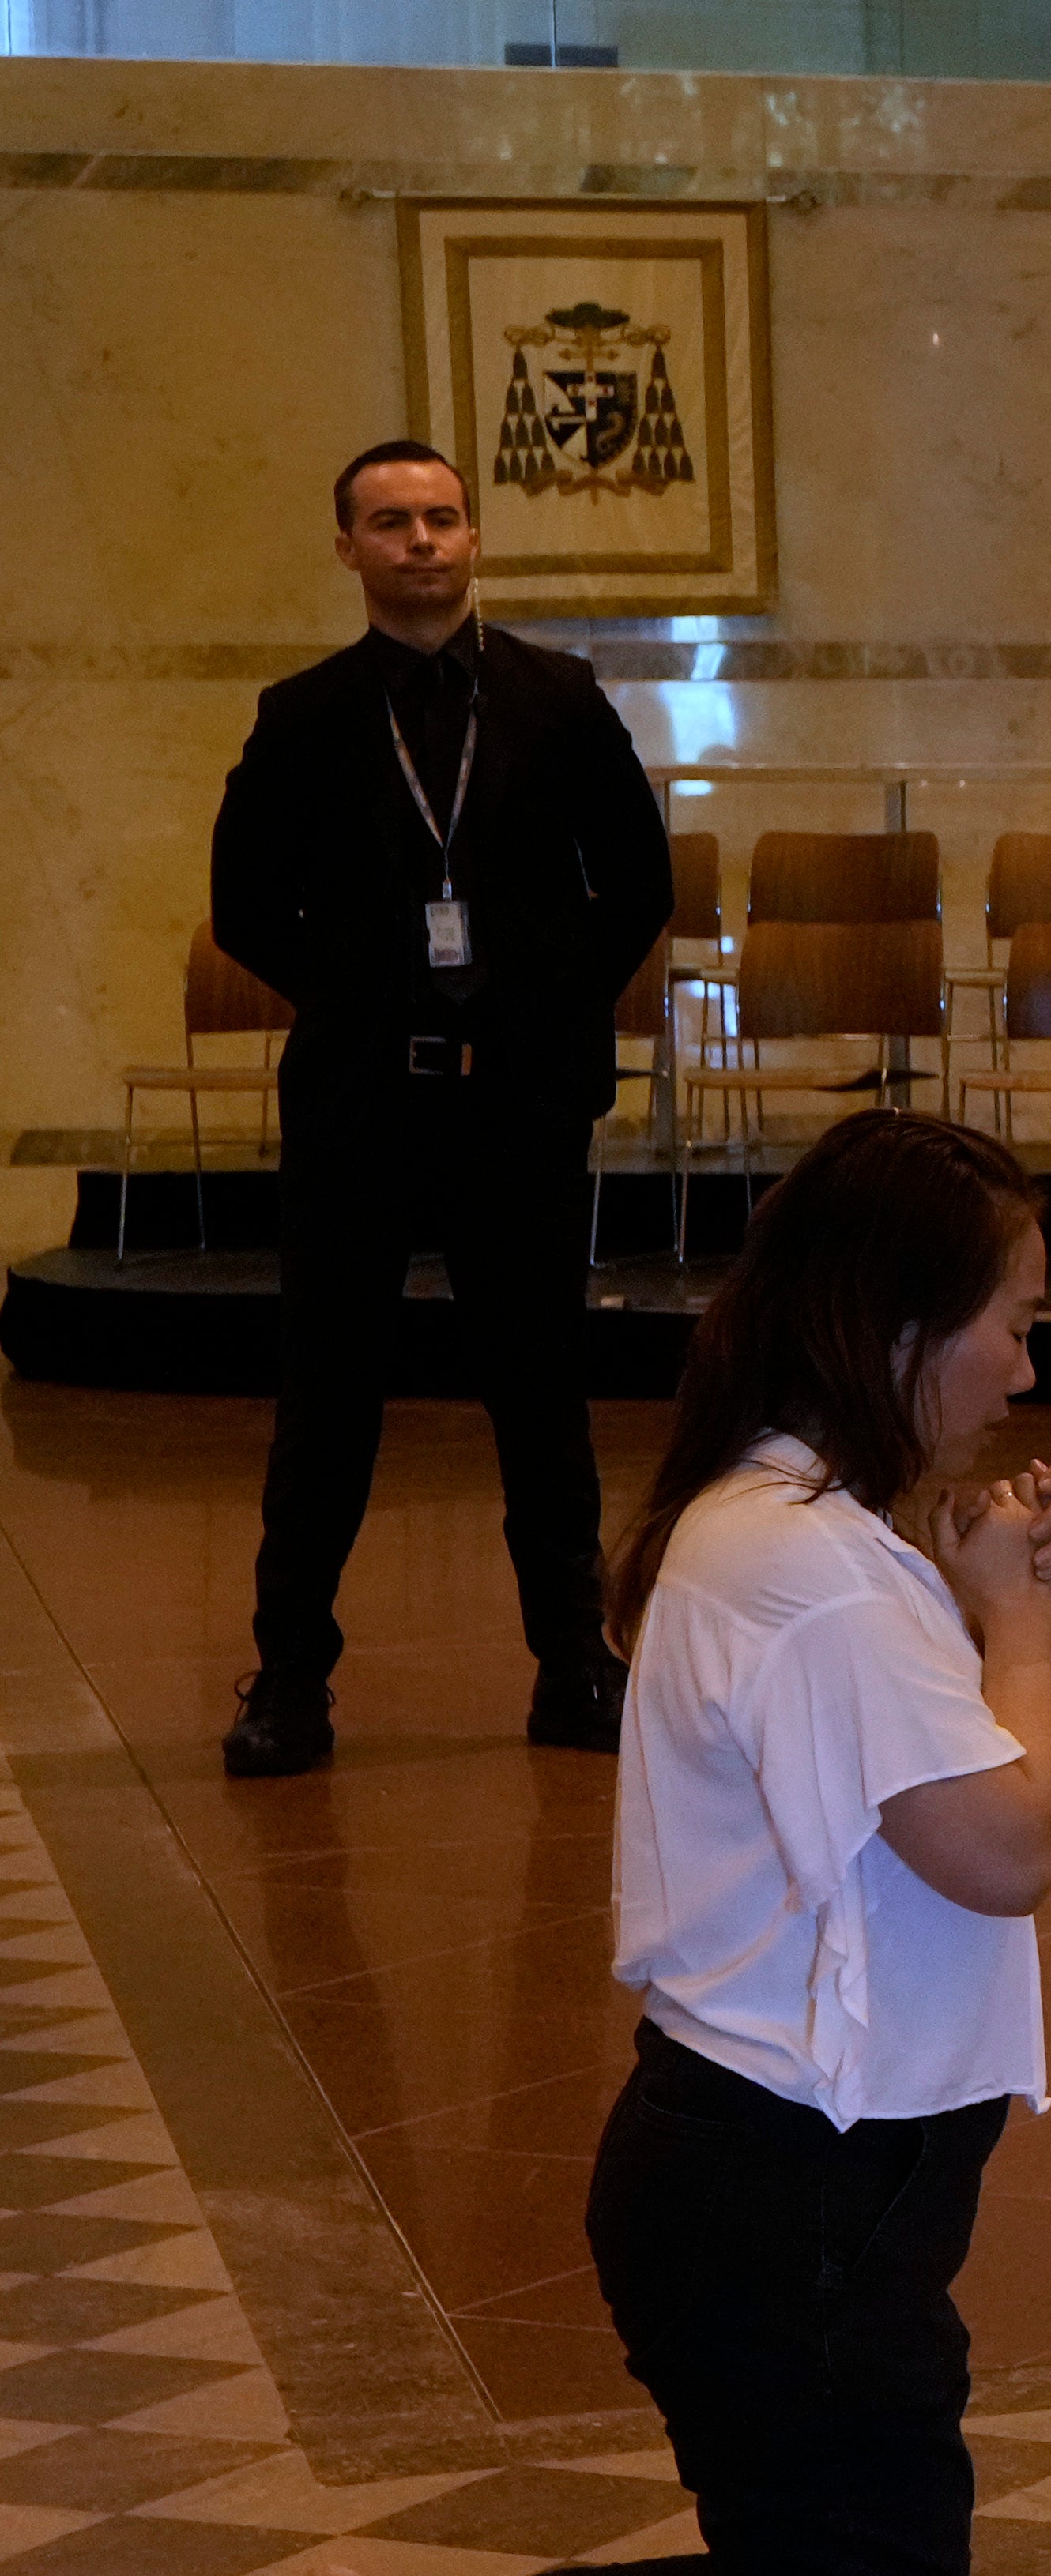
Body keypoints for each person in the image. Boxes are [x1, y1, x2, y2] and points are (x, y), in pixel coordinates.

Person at [148, 1114, 1051, 2576]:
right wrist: (1016, 1625)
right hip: (787, 2200)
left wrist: (962, 1595)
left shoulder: (781, 1522)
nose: (1025, 1362)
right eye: (1008, 1316)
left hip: (764, 2188)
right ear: (895, 1326)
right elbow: (1005, 1846)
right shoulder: (812, 1570)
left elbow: (880, 1782)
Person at [209, 442, 679, 1773]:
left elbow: (635, 881)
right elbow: (248, 903)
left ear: (474, 539)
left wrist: (548, 998)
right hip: (361, 1105)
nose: (419, 540)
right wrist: (358, 995)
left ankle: (574, 1664)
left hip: (518, 1107)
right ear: (348, 548)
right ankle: (290, 1679)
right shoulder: (301, 715)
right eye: (389, 522)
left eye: (441, 518)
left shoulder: (559, 697)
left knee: (542, 1392)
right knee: (329, 1401)